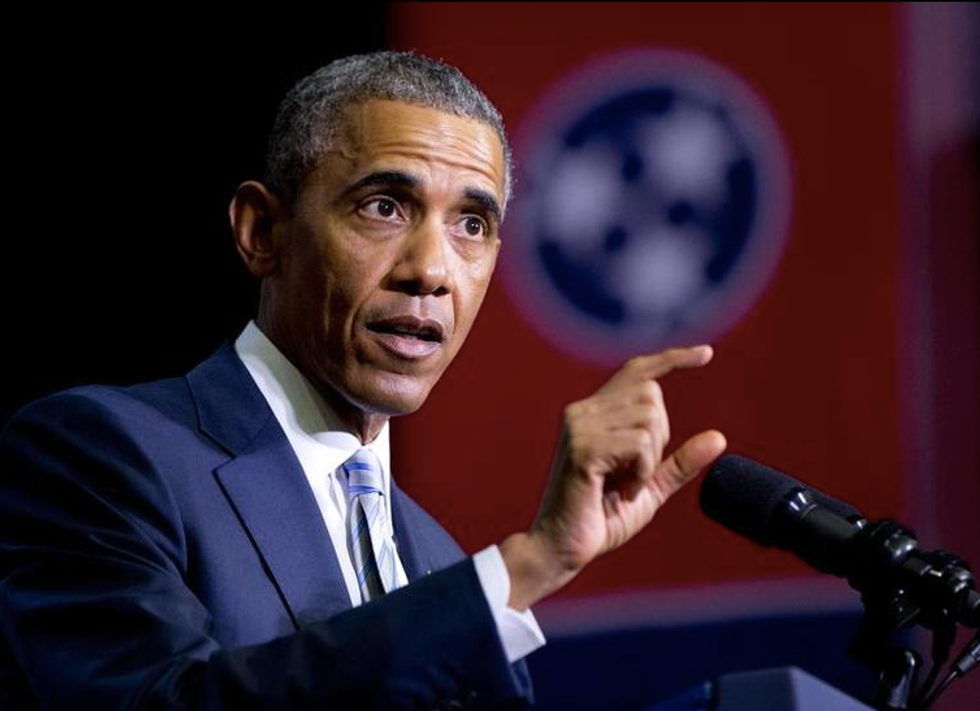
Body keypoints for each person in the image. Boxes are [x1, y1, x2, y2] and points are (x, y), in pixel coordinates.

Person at [0, 51, 726, 710]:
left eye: (471, 225)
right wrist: (528, 566)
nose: (432, 271)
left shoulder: (438, 559)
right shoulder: (107, 455)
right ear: (261, 231)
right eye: (384, 207)